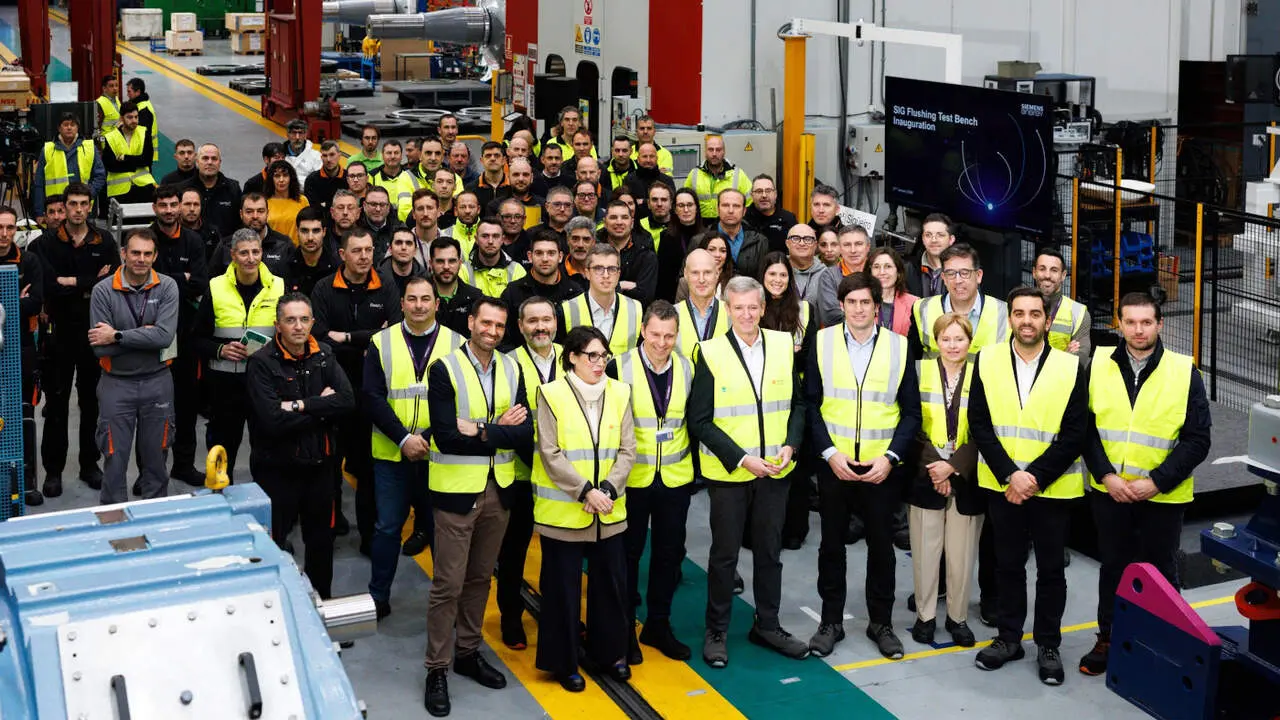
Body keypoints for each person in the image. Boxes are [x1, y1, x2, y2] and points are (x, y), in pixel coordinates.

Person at [1079, 291, 1211, 677]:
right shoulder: (1098, 365)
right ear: (1119, 324)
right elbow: (1084, 428)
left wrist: (1156, 482)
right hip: (1111, 492)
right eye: (1131, 322)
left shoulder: (1183, 372)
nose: (1139, 330)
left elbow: (1198, 439)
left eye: (1146, 322)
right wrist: (1106, 476)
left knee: (1161, 572)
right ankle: (1109, 638)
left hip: (1163, 496)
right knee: (1114, 568)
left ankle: (1168, 646)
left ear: (1160, 324)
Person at [968, 286, 1089, 686]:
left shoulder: (1070, 367)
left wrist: (1032, 478)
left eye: (1035, 314)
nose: (1026, 321)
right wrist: (1011, 475)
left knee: (1051, 570)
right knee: (1007, 565)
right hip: (1003, 486)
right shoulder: (986, 360)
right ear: (1010, 319)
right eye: (1019, 313)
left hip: (1050, 489)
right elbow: (980, 424)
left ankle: (1048, 645)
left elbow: (1075, 433)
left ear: (1047, 321)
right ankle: (1008, 638)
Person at [691, 275, 809, 667]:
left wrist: (791, 444)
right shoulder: (708, 352)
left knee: (770, 553)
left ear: (762, 308)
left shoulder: (782, 345)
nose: (746, 315)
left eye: (752, 307)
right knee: (724, 555)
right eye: (738, 308)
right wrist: (743, 459)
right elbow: (700, 421)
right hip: (730, 474)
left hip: (775, 470)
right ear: (727, 310)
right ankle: (716, 630)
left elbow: (798, 404)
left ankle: (768, 625)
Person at [423, 297, 532, 716]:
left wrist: (482, 429)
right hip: (455, 492)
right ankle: (436, 667)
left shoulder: (512, 367)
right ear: (471, 323)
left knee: (480, 579)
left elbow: (523, 434)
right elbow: (446, 437)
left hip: (498, 490)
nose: (492, 331)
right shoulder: (444, 369)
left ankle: (467, 652)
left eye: (499, 325)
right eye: (485, 323)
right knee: (448, 584)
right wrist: (498, 430)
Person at [803, 272, 920, 659]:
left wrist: (890, 458)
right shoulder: (821, 342)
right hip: (834, 465)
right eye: (851, 302)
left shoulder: (899, 347)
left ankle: (881, 623)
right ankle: (830, 622)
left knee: (882, 548)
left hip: (880, 468)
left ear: (877, 306)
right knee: (831, 546)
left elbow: (911, 413)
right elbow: (811, 404)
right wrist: (828, 453)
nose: (857, 309)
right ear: (841, 305)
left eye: (865, 302)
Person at [532, 326, 636, 692]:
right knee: (562, 591)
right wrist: (585, 491)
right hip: (564, 513)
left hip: (608, 510)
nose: (599, 362)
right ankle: (564, 662)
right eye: (591, 355)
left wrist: (607, 489)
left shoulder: (620, 392)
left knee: (610, 586)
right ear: (572, 357)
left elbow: (627, 449)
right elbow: (550, 452)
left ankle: (610, 654)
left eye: (603, 355)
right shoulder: (551, 394)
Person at [366, 276, 464, 618]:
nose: (419, 305)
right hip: (392, 454)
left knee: (442, 532)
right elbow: (372, 398)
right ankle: (378, 596)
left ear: (437, 304)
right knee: (387, 528)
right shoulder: (381, 342)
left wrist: (427, 437)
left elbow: (461, 401)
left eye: (425, 299)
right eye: (412, 299)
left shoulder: (457, 343)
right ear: (402, 304)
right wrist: (404, 439)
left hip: (440, 456)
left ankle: (447, 602)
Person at [246, 293, 354, 598]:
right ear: (277, 324)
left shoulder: (325, 355)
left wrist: (299, 405)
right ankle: (277, 606)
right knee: (273, 543)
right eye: (290, 320)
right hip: (277, 471)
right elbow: (272, 421)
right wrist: (322, 407)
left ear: (312, 322)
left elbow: (347, 401)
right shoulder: (261, 363)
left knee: (321, 543)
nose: (298, 326)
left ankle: (321, 604)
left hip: (320, 469)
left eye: (304, 319)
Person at [607, 301, 696, 663]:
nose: (662, 343)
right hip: (633, 479)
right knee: (628, 555)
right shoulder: (618, 367)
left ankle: (658, 624)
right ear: (643, 330)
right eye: (655, 334)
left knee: (668, 555)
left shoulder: (688, 368)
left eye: (669, 336)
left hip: (675, 478)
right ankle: (625, 628)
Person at [312, 227, 402, 549]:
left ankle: (368, 535)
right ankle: (331, 524)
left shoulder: (385, 285)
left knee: (367, 467)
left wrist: (347, 337)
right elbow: (319, 338)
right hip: (333, 387)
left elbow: (393, 333)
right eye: (357, 251)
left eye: (368, 250)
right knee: (330, 463)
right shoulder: (324, 288)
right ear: (342, 254)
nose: (364, 257)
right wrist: (368, 340)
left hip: (370, 390)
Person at [31, 182, 118, 496]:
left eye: (84, 204)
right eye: (73, 204)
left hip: (94, 332)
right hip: (58, 333)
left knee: (92, 402)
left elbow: (111, 283)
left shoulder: (104, 241)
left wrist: (71, 281)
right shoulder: (44, 244)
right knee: (56, 404)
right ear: (64, 207)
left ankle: (89, 464)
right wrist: (89, 282)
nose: (78, 209)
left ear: (90, 206)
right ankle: (53, 472)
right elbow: (48, 286)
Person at [908, 312, 983, 648]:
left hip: (966, 477)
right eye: (946, 339)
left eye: (959, 339)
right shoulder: (918, 371)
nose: (953, 345)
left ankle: (957, 617)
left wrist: (952, 467)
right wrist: (936, 468)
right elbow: (909, 422)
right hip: (925, 474)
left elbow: (988, 427)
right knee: (925, 551)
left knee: (961, 555)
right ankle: (925, 617)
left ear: (970, 341)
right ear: (935, 341)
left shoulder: (984, 374)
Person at [89, 228, 179, 503]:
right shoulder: (103, 290)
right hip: (116, 384)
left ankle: (155, 517)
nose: (141, 259)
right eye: (135, 252)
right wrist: (146, 336)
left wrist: (117, 335)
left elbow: (164, 337)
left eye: (147, 254)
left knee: (156, 460)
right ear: (123, 253)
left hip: (157, 382)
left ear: (155, 256)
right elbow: (100, 347)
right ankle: (114, 518)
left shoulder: (167, 287)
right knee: (114, 461)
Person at [193, 229, 285, 479]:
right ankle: (219, 492)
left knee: (266, 449)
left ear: (262, 253)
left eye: (255, 252)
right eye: (244, 253)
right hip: (225, 386)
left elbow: (287, 335)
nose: (250, 258)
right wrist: (220, 350)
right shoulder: (215, 287)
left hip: (264, 383)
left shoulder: (279, 286)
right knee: (222, 449)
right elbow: (196, 338)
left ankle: (266, 495)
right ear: (232, 255)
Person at [497, 296, 561, 647]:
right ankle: (510, 617)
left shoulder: (572, 357)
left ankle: (557, 616)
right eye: (532, 321)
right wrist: (542, 462)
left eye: (546, 319)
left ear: (555, 322)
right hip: (522, 474)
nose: (540, 327)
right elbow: (512, 424)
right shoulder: (507, 363)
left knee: (559, 554)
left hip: (564, 478)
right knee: (513, 551)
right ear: (520, 326)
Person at [147, 185, 210, 487]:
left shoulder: (193, 241)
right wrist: (179, 279)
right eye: (164, 205)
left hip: (186, 335)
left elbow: (199, 283)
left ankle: (183, 464)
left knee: (186, 405)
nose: (170, 210)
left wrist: (163, 279)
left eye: (174, 204)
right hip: (151, 335)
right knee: (152, 408)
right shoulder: (144, 239)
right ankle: (150, 469)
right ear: (154, 208)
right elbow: (142, 279)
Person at [759, 252, 817, 549]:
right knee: (764, 463)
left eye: (783, 275)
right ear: (762, 277)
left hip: (797, 396)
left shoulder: (805, 310)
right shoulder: (753, 307)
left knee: (797, 466)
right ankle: (760, 531)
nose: (777, 280)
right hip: (761, 396)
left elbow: (810, 356)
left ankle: (794, 530)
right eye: (772, 274)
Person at [0, 206, 45, 505]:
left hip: (22, 347)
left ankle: (26, 480)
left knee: (22, 413)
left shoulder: (29, 261)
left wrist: (8, 303)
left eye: (10, 228)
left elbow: (35, 303)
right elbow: (21, 304)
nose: (4, 234)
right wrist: (14, 299)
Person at [909, 243, 1009, 360]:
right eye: (951, 273)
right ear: (944, 278)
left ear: (978, 276)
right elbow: (912, 357)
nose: (958, 280)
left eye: (965, 273)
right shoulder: (922, 309)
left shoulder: (1005, 312)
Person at [499, 229, 582, 350]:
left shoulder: (575, 293)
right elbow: (503, 338)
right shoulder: (513, 292)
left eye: (551, 253)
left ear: (560, 257)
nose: (545, 259)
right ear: (530, 256)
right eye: (539, 253)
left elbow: (581, 337)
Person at [560, 244, 643, 356]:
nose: (606, 275)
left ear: (618, 274)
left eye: (612, 269)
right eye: (598, 268)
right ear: (587, 273)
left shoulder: (636, 308)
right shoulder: (567, 309)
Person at [33, 113, 105, 220]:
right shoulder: (48, 150)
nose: (69, 127)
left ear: (77, 128)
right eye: (65, 125)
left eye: (73, 125)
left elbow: (100, 176)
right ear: (59, 128)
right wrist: (39, 212)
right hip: (56, 210)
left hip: (83, 208)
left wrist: (88, 195)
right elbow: (39, 183)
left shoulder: (89, 148)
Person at [210, 194, 292, 277]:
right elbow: (213, 279)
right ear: (241, 214)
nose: (255, 216)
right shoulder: (226, 245)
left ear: (267, 213)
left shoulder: (284, 245)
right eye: (249, 211)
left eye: (260, 211)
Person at [1033, 247, 1091, 361]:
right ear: (1034, 272)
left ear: (1063, 275)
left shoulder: (1078, 313)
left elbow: (1080, 360)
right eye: (1042, 269)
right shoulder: (1018, 307)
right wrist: (1064, 356)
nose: (1047, 275)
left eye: (1054, 270)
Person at [599, 200, 658, 306]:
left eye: (624, 217)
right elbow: (591, 291)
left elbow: (645, 298)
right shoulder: (594, 250)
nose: (619, 222)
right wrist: (622, 285)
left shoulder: (646, 255)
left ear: (632, 223)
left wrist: (608, 288)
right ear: (605, 223)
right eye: (613, 217)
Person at [673, 249, 728, 358]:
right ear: (685, 274)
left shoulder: (733, 314)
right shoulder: (672, 314)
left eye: (707, 272)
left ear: (717, 274)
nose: (701, 279)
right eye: (695, 273)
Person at [814, 225, 871, 327]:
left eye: (858, 244)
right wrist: (871, 317)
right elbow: (830, 317)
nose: (853, 250)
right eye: (847, 245)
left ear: (868, 247)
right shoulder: (829, 276)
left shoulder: (879, 273)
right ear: (840, 248)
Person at [684, 135, 752, 220]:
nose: (714, 154)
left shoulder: (738, 175)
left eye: (718, 150)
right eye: (710, 149)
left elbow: (749, 204)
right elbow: (684, 201)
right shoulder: (694, 174)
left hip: (728, 224)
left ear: (724, 152)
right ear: (705, 152)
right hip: (700, 225)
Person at [102, 101, 156, 204]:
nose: (134, 120)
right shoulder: (111, 137)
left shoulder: (144, 132)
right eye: (130, 117)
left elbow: (147, 160)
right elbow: (110, 165)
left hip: (143, 187)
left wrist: (125, 158)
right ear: (121, 118)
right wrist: (136, 162)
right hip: (119, 191)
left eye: (136, 117)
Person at [459, 217, 528, 299]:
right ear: (476, 239)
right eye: (485, 236)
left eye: (495, 236)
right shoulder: (463, 271)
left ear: (502, 240)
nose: (490, 241)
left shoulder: (517, 270)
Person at [432, 236, 485, 336]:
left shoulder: (476, 298)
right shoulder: (419, 297)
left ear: (460, 263)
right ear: (431, 263)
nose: (446, 266)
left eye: (452, 261)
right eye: (440, 261)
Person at [187, 143, 242, 236]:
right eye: (205, 158)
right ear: (197, 161)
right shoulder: (184, 189)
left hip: (227, 244)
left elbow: (240, 221)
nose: (210, 162)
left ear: (219, 162)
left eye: (214, 158)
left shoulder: (233, 188)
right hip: (192, 244)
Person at [712, 189, 767, 280]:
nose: (730, 210)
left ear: (744, 211)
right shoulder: (700, 240)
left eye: (736, 206)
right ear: (718, 209)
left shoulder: (760, 241)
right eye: (725, 205)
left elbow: (763, 278)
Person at [285, 207, 340, 297]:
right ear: (297, 232)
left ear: (324, 232)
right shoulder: (284, 267)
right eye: (304, 231)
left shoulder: (337, 269)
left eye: (316, 231)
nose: (310, 238)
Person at [869, 247, 918, 336]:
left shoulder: (915, 303)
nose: (882, 272)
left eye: (888, 266)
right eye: (876, 267)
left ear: (898, 272)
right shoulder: (860, 302)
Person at [371, 140, 422, 223]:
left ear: (401, 156)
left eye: (396, 153)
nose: (393, 156)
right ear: (382, 155)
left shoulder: (412, 175)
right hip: (379, 222)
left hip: (406, 222)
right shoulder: (372, 176)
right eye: (389, 153)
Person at [745, 175, 798, 253]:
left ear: (775, 194)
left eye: (768, 191)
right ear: (752, 195)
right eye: (759, 191)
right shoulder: (743, 218)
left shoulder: (788, 219)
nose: (764, 195)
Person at [906, 213, 955, 298]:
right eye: (928, 235)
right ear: (923, 238)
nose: (934, 240)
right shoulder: (908, 269)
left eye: (940, 235)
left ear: (951, 239)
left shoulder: (963, 271)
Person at [676, 232, 733, 302]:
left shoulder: (735, 282)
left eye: (723, 251)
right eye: (711, 250)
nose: (717, 255)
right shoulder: (685, 282)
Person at [264, 160, 310, 244]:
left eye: (285, 175)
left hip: (297, 249)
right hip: (272, 249)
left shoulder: (302, 200)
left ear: (291, 178)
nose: (281, 180)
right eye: (277, 176)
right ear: (271, 179)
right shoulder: (264, 202)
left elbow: (308, 227)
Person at [379, 227, 429, 297]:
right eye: (398, 243)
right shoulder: (376, 279)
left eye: (409, 243)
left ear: (415, 251)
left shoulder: (426, 280)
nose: (403, 247)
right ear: (390, 249)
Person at [783, 223, 824, 301]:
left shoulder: (826, 274)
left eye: (808, 239)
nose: (802, 243)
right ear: (787, 243)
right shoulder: (777, 270)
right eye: (795, 238)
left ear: (815, 245)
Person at [179, 187, 222, 262]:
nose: (192, 209)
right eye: (187, 204)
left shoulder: (212, 233)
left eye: (196, 204)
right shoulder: (173, 231)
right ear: (179, 206)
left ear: (201, 207)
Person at [304, 140, 348, 211]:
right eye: (325, 155)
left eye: (332, 155)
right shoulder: (311, 180)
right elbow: (313, 209)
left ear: (339, 155)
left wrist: (326, 204)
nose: (328, 159)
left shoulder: (349, 178)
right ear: (321, 157)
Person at [124, 78, 158, 165]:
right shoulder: (140, 104)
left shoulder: (143, 110)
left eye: (129, 92)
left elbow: (139, 132)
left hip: (142, 153)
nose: (127, 94)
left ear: (138, 92)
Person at [469, 141, 511, 211]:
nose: (492, 159)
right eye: (488, 156)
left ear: (504, 160)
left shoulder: (513, 187)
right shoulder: (471, 188)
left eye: (497, 155)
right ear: (482, 161)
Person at [443, 190, 482, 257]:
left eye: (471, 207)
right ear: (455, 211)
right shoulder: (444, 234)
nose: (467, 211)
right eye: (463, 207)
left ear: (478, 209)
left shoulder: (490, 234)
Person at [494, 197, 532, 263]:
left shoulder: (533, 244)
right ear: (498, 218)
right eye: (507, 216)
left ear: (524, 219)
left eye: (518, 217)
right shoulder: (489, 241)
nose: (513, 221)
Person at [410, 189, 443, 262]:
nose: (425, 213)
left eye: (430, 208)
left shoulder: (450, 244)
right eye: (420, 209)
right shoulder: (402, 244)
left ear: (438, 211)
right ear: (413, 214)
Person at [95, 74, 121, 141]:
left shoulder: (117, 100)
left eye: (116, 85)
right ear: (104, 88)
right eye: (111, 86)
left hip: (117, 141)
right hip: (106, 142)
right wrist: (99, 144)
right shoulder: (99, 103)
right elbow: (96, 129)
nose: (115, 88)